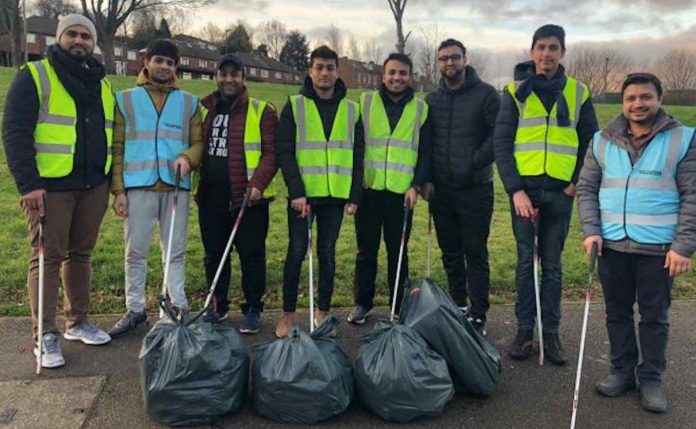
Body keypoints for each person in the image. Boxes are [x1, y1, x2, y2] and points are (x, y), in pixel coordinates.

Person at [577, 73, 696, 413]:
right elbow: (586, 188)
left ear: (660, 98)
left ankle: (651, 378)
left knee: (654, 317)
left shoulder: (683, 139)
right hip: (611, 245)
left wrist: (683, 246)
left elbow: (693, 195)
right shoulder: (601, 140)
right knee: (616, 312)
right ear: (623, 102)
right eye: (631, 98)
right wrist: (591, 231)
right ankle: (621, 371)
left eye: (645, 97)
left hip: (658, 250)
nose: (638, 104)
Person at [2, 14, 114, 367]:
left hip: (93, 184)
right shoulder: (34, 76)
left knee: (80, 254)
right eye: (72, 34)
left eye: (85, 36)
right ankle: (44, 334)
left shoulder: (101, 82)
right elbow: (15, 132)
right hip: (49, 188)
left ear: (93, 43)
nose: (79, 41)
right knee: (47, 257)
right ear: (59, 38)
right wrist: (29, 184)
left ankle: (77, 322)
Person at [494, 24, 599, 364]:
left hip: (560, 193)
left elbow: (591, 143)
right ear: (531, 51)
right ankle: (525, 331)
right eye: (540, 47)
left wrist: (574, 184)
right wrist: (515, 191)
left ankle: (550, 334)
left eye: (553, 47)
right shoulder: (513, 92)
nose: (546, 54)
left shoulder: (579, 92)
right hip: (524, 193)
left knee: (552, 266)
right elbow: (502, 143)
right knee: (526, 263)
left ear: (563, 53)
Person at [108, 39, 203, 338]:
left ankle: (175, 307)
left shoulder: (190, 102)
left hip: (176, 187)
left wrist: (188, 158)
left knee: (174, 252)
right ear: (146, 62)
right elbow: (118, 146)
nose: (164, 66)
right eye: (159, 60)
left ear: (176, 67)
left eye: (170, 62)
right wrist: (118, 190)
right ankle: (135, 308)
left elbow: (198, 142)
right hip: (138, 187)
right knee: (134, 252)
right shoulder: (125, 99)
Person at [275, 45, 364, 338]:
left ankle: (322, 312)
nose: (324, 73)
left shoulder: (352, 110)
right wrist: (296, 191)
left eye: (330, 67)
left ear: (337, 71)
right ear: (310, 71)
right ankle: (288, 314)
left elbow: (358, 154)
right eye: (319, 67)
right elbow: (284, 152)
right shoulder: (295, 105)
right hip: (303, 197)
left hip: (335, 197)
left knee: (327, 253)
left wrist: (354, 196)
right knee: (297, 252)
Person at [420, 38, 500, 334]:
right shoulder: (432, 100)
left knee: (475, 252)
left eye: (455, 57)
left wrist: (473, 162)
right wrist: (427, 179)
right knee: (450, 251)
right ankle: (459, 305)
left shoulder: (487, 95)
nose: (449, 63)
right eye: (443, 59)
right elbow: (426, 144)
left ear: (465, 59)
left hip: (476, 189)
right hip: (441, 191)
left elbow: (498, 136)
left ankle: (479, 313)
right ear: (438, 63)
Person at [195, 54, 278, 333]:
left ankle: (253, 308)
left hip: (249, 200)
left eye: (235, 74)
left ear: (243, 78)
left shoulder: (261, 110)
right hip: (210, 198)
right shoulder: (204, 109)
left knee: (252, 255)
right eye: (223, 73)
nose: (229, 79)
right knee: (214, 255)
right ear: (215, 76)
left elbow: (271, 153)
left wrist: (258, 183)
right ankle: (217, 306)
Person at [347, 53, 431, 325]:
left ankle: (398, 305)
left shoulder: (420, 108)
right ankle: (362, 303)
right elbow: (357, 146)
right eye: (392, 72)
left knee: (399, 250)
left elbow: (425, 152)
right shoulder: (366, 102)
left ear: (410, 77)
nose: (397, 78)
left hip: (401, 193)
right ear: (383, 76)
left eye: (403, 73)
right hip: (370, 189)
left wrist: (415, 186)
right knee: (366, 250)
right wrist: (356, 185)